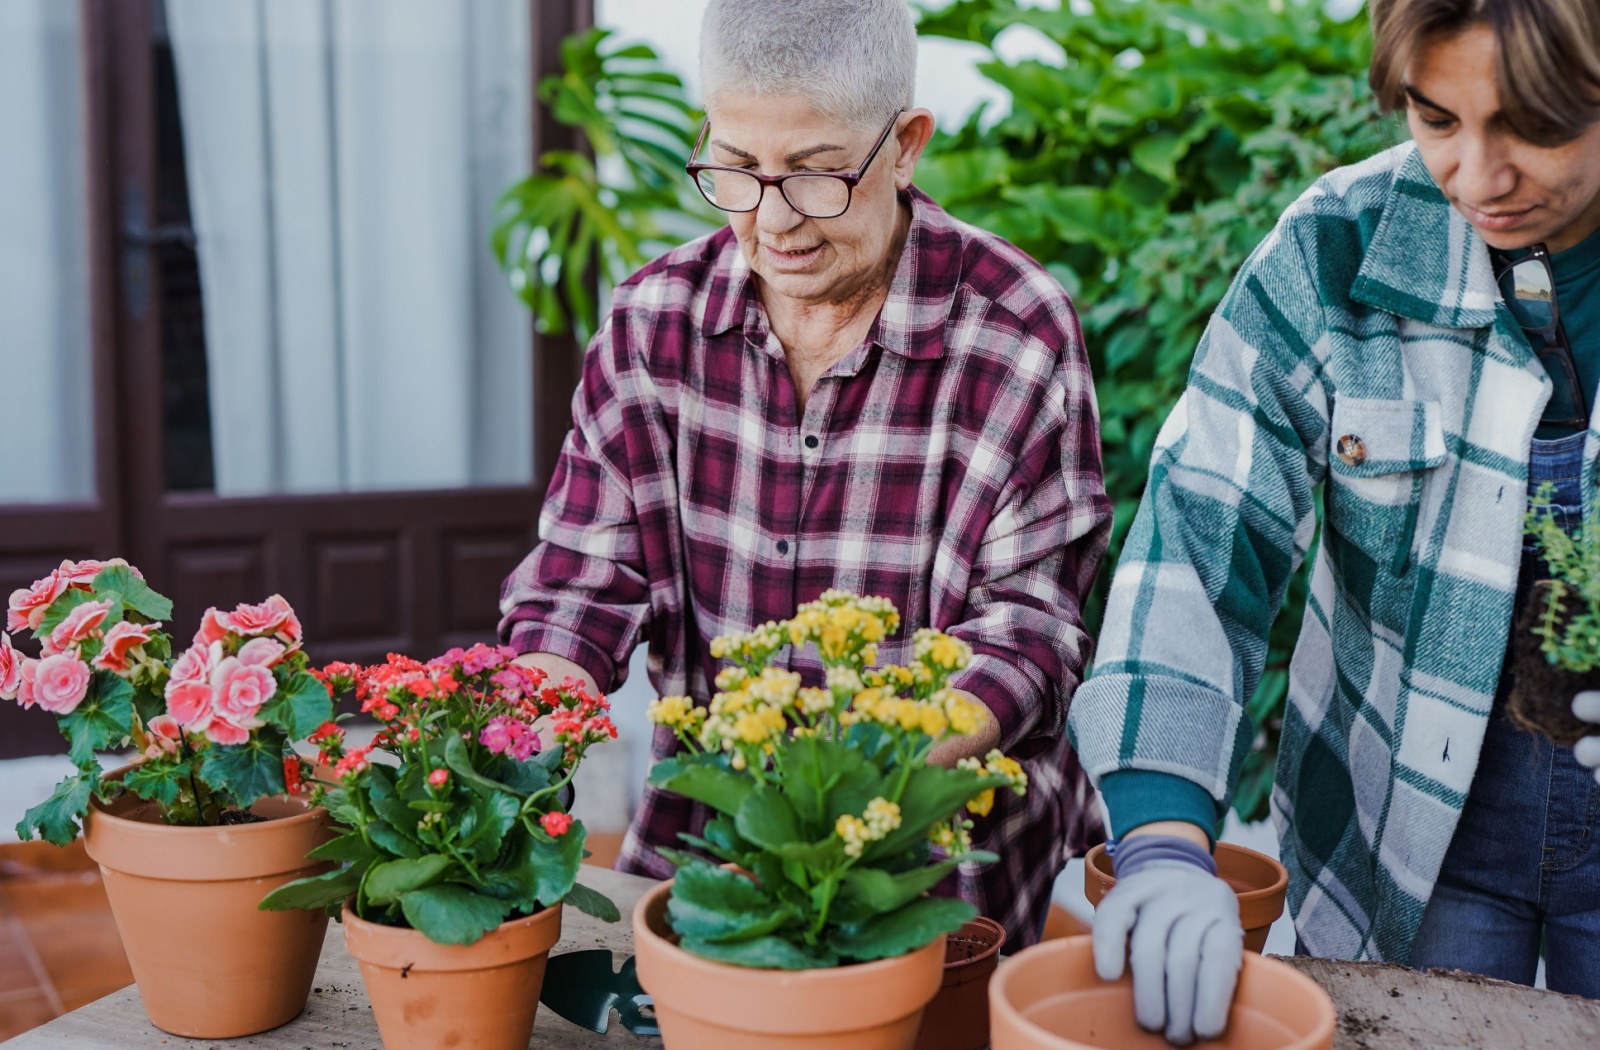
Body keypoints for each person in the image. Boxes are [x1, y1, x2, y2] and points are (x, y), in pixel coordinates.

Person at [499, 0, 1112, 948]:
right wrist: (515, 744)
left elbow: (1031, 633)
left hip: (939, 884)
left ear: (905, 145)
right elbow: (579, 589)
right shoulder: (651, 322)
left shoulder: (1017, 333)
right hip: (706, 864)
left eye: (818, 176)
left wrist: (854, 796)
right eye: (736, 172)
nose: (773, 222)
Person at [1069, 0, 1600, 1042]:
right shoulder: (1336, 251)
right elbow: (1199, 531)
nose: (1478, 177)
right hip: (1400, 845)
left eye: (1532, 128)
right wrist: (1164, 837)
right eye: (1435, 118)